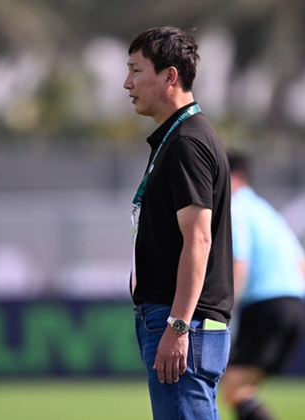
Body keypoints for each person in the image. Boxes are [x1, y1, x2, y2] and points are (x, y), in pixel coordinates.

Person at [124, 27, 233, 420]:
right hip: (180, 319)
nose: (127, 83)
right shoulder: (179, 137)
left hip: (183, 320)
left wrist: (178, 325)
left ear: (170, 76)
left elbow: (198, 239)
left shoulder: (186, 142)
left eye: (136, 71)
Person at [220, 153, 305, 420]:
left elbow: (240, 263)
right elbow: (303, 265)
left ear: (235, 178)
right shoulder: (268, 211)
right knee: (243, 390)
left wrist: (226, 311)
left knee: (234, 389)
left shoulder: (235, 208)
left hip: (266, 306)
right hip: (296, 306)